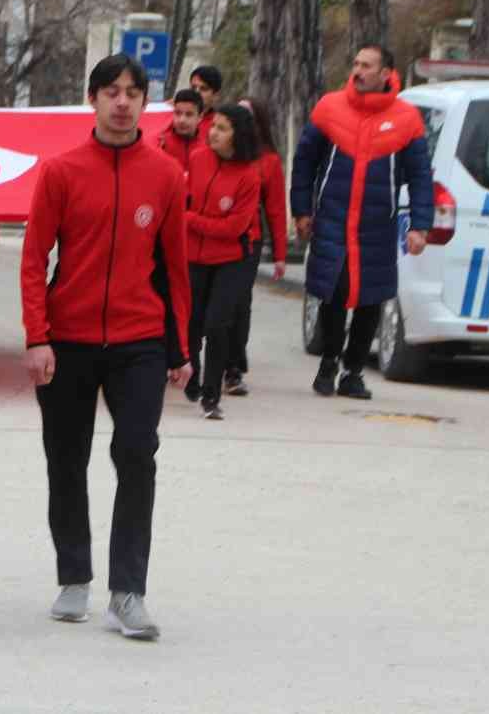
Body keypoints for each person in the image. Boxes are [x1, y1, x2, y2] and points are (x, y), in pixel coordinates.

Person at [20, 53, 192, 642]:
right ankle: (74, 577)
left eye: (132, 92)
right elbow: (33, 257)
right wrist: (37, 336)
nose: (122, 102)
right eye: (110, 91)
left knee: (138, 453)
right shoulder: (61, 171)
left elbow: (175, 267)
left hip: (139, 339)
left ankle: (128, 592)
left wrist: (180, 345)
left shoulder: (167, 175)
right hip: (67, 339)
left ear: (146, 102)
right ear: (92, 98)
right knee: (66, 458)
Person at [291, 44, 435, 401]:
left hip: (377, 225)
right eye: (355, 63)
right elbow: (305, 161)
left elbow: (419, 176)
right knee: (333, 294)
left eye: (366, 65)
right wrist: (302, 210)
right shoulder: (330, 108)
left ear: (386, 73)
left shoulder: (407, 119)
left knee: (372, 299)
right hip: (333, 220)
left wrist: (420, 224)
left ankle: (353, 372)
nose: (358, 71)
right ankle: (328, 363)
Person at [182, 105, 262, 420]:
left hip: (231, 259)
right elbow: (182, 200)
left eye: (222, 128)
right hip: (193, 255)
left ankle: (211, 395)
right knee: (191, 321)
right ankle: (193, 372)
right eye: (213, 125)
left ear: (237, 137)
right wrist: (189, 220)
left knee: (217, 325)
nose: (212, 132)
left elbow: (234, 228)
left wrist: (191, 220)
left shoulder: (248, 176)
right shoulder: (198, 159)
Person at [225, 97, 288, 397]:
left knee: (238, 304)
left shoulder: (268, 161)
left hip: (248, 242)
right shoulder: (215, 154)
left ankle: (234, 365)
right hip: (212, 240)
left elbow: (275, 209)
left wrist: (280, 255)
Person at [157, 90, 204, 177]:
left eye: (189, 114)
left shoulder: (206, 149)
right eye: (178, 113)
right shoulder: (160, 144)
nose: (182, 120)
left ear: (200, 117)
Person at [190, 65, 222, 141]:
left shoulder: (219, 125)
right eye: (193, 87)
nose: (196, 92)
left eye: (203, 88)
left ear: (216, 95)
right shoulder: (173, 115)